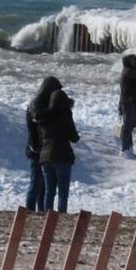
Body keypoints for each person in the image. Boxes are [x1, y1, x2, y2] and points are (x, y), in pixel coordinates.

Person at [34, 79, 79, 213]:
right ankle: (61, 214)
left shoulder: (43, 117)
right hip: (62, 156)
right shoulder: (65, 115)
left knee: (49, 190)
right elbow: (74, 137)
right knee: (63, 191)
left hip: (45, 157)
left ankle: (48, 215)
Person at [25, 77, 62, 211]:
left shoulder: (45, 102)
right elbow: (37, 117)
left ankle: (41, 209)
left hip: (44, 148)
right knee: (36, 183)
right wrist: (54, 110)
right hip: (35, 148)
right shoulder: (37, 103)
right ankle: (29, 210)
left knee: (45, 185)